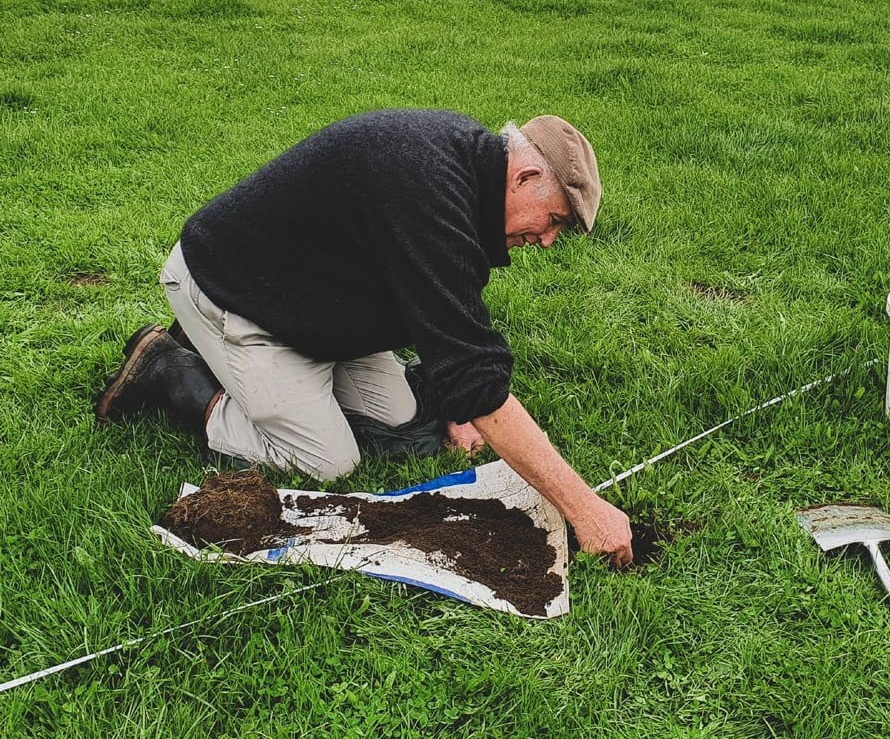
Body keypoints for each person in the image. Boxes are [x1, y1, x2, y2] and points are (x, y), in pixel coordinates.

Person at [94, 110, 633, 566]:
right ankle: (172, 370)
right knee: (327, 462)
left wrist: (458, 402)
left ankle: (256, 380)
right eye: (554, 219)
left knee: (399, 421)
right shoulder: (432, 192)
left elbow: (441, 310)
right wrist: (584, 509)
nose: (547, 241)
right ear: (524, 176)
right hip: (234, 291)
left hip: (311, 302)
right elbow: (473, 367)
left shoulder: (466, 177)